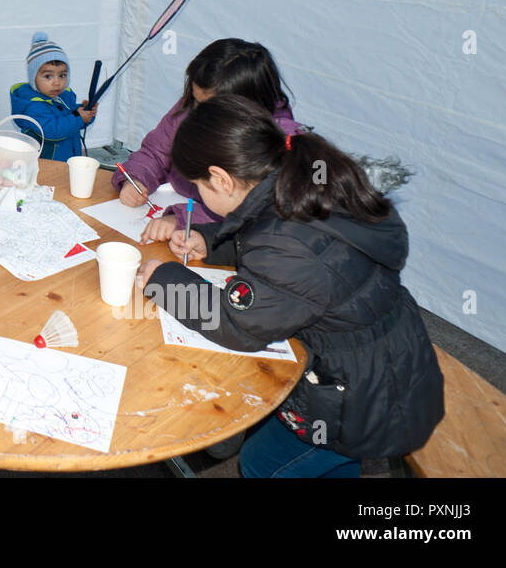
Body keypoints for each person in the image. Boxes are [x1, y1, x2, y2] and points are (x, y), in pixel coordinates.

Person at [137, 95, 444, 478]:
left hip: (362, 399)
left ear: (222, 178)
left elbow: (239, 324)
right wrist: (209, 239)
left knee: (260, 464)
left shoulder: (287, 242)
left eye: (199, 185)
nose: (198, 195)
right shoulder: (296, 180)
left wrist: (165, 281)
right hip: (385, 359)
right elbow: (276, 242)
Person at [113, 38, 302, 237]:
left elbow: (253, 210)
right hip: (172, 206)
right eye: (195, 99)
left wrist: (184, 220)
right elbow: (155, 152)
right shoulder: (193, 107)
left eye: (206, 104)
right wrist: (136, 179)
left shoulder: (276, 142)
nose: (196, 111)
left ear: (244, 105)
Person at [9, 31, 97, 161]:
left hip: (68, 159)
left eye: (62, 75)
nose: (57, 82)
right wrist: (79, 118)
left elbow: (72, 118)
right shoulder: (33, 106)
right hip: (45, 164)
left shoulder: (64, 97)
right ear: (34, 78)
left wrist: (87, 112)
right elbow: (53, 131)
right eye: (48, 76)